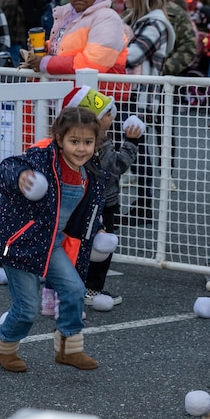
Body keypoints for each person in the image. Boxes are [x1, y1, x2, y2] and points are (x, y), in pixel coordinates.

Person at [0, 107, 107, 372]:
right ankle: (4, 345)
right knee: (27, 308)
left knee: (74, 290)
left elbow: (87, 212)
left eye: (87, 142)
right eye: (74, 141)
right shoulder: (40, 159)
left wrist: (98, 229)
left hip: (52, 244)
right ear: (59, 139)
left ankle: (68, 348)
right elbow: (5, 170)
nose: (81, 149)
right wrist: (20, 176)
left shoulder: (89, 174)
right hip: (21, 245)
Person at [73, 87, 141, 307]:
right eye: (109, 114)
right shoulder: (101, 142)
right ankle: (92, 289)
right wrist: (132, 142)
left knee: (78, 244)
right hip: (105, 202)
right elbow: (117, 167)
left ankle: (73, 286)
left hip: (81, 200)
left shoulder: (76, 140)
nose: (113, 117)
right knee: (103, 246)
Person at [22, 0, 128, 84]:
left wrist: (44, 63)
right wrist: (46, 48)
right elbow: (67, 47)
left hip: (100, 99)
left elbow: (93, 63)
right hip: (67, 96)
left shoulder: (108, 18)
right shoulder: (66, 14)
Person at [120, 0, 174, 220]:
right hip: (136, 94)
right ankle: (143, 205)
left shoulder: (154, 23)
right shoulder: (142, 21)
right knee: (138, 150)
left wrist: (108, 47)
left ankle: (143, 206)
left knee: (138, 150)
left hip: (140, 95)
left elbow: (132, 57)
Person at [148, 0, 198, 77]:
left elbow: (189, 45)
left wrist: (164, 68)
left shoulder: (176, 13)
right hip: (134, 78)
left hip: (166, 80)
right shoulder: (134, 10)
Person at [0, 0, 26, 65]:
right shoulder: (12, 2)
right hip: (13, 40)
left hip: (7, 40)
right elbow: (7, 22)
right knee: (14, 63)